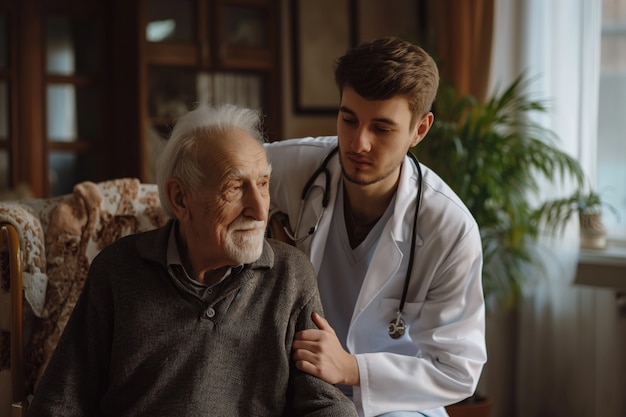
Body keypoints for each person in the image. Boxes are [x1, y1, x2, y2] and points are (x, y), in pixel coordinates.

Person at [27, 104, 358, 417]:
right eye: (234, 188)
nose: (260, 210)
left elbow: (323, 403)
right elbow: (60, 402)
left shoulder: (290, 273)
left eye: (262, 184)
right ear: (180, 198)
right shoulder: (117, 270)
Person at [265, 37, 487, 417]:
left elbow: (458, 370)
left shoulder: (449, 229)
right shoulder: (292, 168)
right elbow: (202, 182)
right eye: (348, 119)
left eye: (382, 128)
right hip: (295, 388)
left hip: (396, 403)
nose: (358, 143)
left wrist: (352, 368)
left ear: (419, 129)